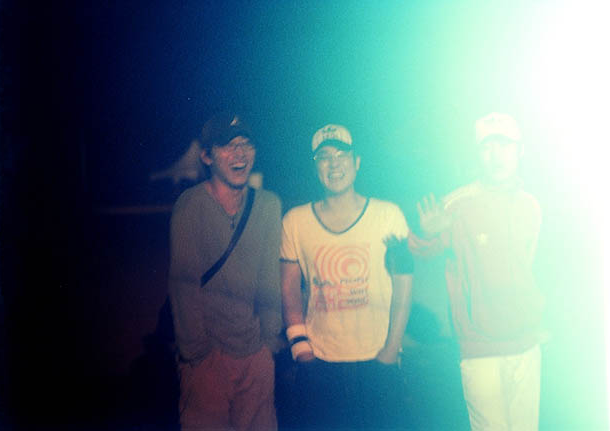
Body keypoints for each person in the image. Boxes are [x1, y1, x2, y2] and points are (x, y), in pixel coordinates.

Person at [409, 112, 544, 430]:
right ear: (477, 154)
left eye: (505, 145)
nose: (497, 155)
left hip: (526, 344)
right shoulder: (458, 204)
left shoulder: (531, 205)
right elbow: (420, 249)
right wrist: (427, 232)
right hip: (479, 348)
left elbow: (531, 267)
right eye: (487, 147)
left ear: (520, 150)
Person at [280, 124, 414, 429]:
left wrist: (391, 350)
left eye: (342, 155)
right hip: (320, 362)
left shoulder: (387, 215)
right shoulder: (296, 221)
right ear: (315, 167)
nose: (334, 164)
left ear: (357, 162)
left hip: (378, 358)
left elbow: (404, 283)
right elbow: (289, 289)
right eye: (324, 157)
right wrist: (301, 350)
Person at [168, 112, 282, 430]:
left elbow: (269, 277)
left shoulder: (268, 205)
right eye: (227, 146)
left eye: (246, 144)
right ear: (207, 156)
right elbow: (184, 285)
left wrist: (269, 342)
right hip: (207, 357)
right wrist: (197, 353)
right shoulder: (190, 206)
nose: (239, 153)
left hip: (256, 355)